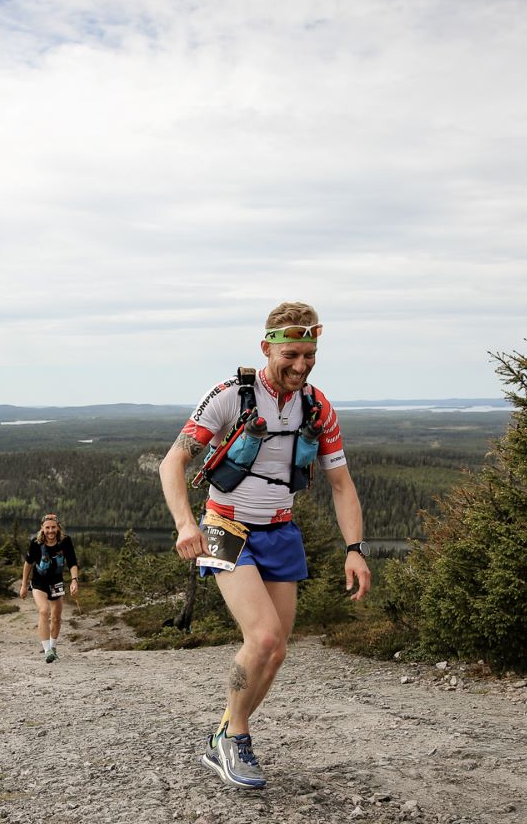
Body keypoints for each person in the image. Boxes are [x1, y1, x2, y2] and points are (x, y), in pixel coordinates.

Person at [158, 301, 371, 789]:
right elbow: (172, 463)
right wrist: (185, 525)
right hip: (223, 525)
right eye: (292, 354)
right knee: (264, 637)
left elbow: (342, 484)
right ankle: (235, 736)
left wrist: (354, 548)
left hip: (280, 528)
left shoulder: (317, 406)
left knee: (275, 652)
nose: (301, 366)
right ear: (266, 348)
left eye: (310, 355)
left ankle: (224, 732)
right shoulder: (230, 395)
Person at [18, 513, 80, 663]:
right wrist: (24, 584)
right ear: (42, 528)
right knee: (44, 610)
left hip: (57, 582)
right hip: (39, 582)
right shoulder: (36, 543)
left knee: (57, 617)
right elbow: (28, 563)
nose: (50, 531)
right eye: (47, 527)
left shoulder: (65, 541)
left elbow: (72, 562)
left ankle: (53, 647)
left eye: (53, 527)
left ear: (58, 527)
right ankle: (47, 651)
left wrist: (74, 581)